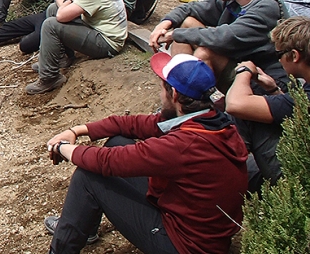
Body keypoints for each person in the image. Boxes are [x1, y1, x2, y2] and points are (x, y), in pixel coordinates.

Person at [44, 53, 247, 254]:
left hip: (184, 245)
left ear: (174, 95)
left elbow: (106, 162)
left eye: (161, 87)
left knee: (88, 178)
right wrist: (76, 131)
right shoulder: (212, 121)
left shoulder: (183, 145)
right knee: (118, 142)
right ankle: (84, 225)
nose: (159, 94)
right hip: (200, 228)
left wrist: (61, 147)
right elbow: (130, 125)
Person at [149, 0, 287, 89]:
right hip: (243, 62)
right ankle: (180, 94)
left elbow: (224, 37)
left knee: (204, 52)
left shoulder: (267, 8)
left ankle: (196, 102)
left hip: (266, 81)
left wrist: (174, 34)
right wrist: (165, 23)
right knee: (188, 22)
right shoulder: (234, 0)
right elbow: (190, 8)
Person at [225, 16, 310, 191]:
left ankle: (224, 179)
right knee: (259, 100)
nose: (279, 61)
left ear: (295, 56)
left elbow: (236, 104)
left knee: (247, 115)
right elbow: (295, 111)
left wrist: (244, 71)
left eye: (279, 55)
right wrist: (274, 90)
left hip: (304, 181)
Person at [25, 0, 127, 94]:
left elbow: (61, 16)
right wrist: (65, 4)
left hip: (107, 42)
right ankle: (59, 59)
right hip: (96, 29)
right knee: (53, 9)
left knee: (50, 25)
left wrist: (65, 5)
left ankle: (49, 78)